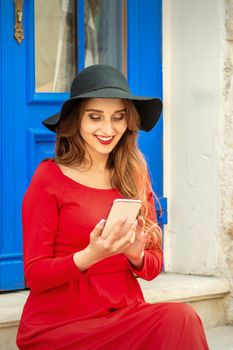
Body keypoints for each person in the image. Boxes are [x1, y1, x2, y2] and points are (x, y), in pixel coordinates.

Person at [16, 64, 209, 350]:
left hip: (123, 314)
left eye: (118, 118)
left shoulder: (134, 174)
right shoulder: (49, 178)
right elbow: (35, 275)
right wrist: (91, 255)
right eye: (95, 117)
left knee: (182, 318)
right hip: (61, 324)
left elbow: (153, 266)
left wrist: (136, 255)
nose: (108, 129)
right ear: (75, 120)